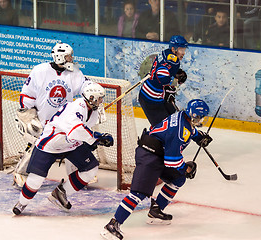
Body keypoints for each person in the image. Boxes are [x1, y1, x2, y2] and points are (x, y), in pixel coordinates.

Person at [101, 99, 213, 240]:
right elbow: (172, 160)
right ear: (193, 116)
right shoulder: (179, 131)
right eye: (201, 117)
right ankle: (112, 225)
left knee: (178, 178)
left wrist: (199, 136)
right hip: (149, 155)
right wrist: (186, 168)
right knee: (138, 194)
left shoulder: (182, 116)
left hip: (158, 153)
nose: (203, 120)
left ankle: (156, 210)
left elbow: (190, 130)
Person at [12, 82, 114, 215]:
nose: (101, 101)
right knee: (36, 179)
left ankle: (61, 193)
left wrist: (94, 140)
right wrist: (96, 138)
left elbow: (84, 129)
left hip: (70, 144)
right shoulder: (77, 107)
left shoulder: (92, 111)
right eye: (99, 98)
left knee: (90, 169)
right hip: (51, 143)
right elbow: (76, 129)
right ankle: (22, 203)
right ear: (91, 98)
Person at [12, 41, 95, 189]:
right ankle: (21, 174)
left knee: (74, 143)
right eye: (69, 57)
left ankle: (79, 174)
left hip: (65, 122)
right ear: (60, 57)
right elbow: (27, 95)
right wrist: (29, 115)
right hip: (43, 121)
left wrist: (93, 91)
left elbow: (85, 85)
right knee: (37, 147)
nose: (71, 59)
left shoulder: (74, 72)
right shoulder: (39, 71)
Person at [138, 35, 188, 126]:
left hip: (152, 94)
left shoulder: (165, 53)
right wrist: (167, 85)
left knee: (173, 116)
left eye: (184, 50)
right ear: (174, 49)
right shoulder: (174, 61)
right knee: (163, 128)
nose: (183, 53)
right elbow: (161, 72)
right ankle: (149, 139)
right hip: (150, 99)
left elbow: (162, 68)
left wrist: (175, 75)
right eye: (181, 50)